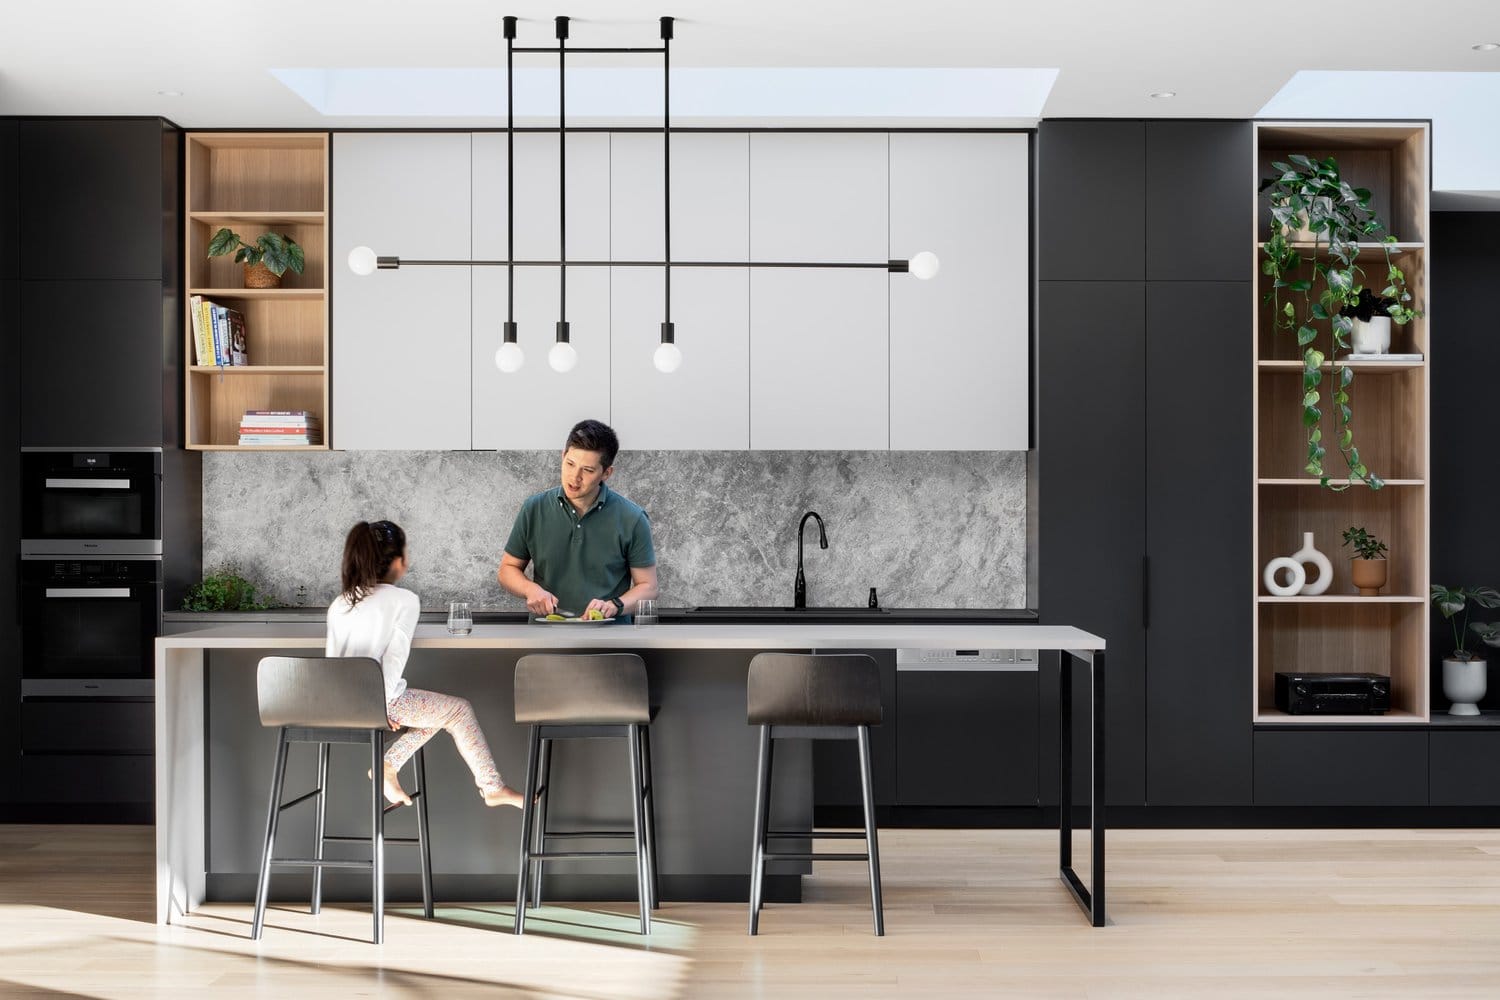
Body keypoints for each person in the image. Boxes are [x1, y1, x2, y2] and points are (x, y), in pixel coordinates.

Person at [328, 519, 523, 809]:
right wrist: (377, 706)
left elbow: (334, 664)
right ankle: (492, 788)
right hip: (377, 702)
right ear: (398, 562)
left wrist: (365, 703)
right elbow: (394, 659)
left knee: (434, 713)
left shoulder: (341, 602)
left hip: (334, 703)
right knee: (458, 711)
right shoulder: (404, 600)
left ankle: (388, 766)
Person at [498, 419, 659, 619]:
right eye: (570, 464)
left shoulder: (632, 518)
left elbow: (649, 587)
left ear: (606, 473)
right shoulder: (534, 508)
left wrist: (614, 605)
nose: (574, 477)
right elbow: (507, 569)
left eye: (588, 470)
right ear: (563, 456)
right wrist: (530, 590)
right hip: (545, 638)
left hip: (610, 641)